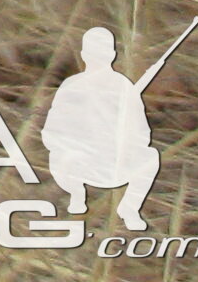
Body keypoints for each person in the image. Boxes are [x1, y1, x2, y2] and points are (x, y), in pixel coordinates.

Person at [41, 28, 161, 230]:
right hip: (78, 159)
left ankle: (130, 208)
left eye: (104, 53)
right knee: (65, 159)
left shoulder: (124, 87)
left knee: (150, 157)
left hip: (115, 160)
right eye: (94, 53)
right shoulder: (72, 86)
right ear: (84, 55)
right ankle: (77, 197)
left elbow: (142, 131)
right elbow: (52, 129)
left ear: (113, 55)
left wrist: (124, 140)